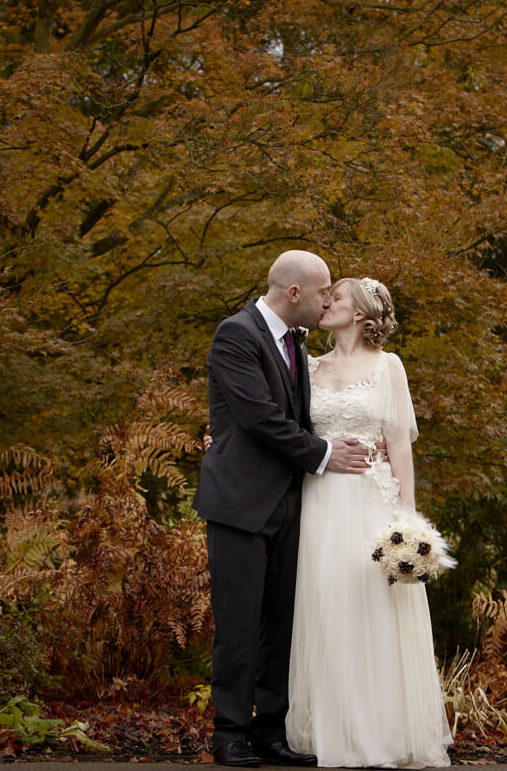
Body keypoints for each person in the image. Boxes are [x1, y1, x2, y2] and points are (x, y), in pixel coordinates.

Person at [194, 251, 373, 768]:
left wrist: (364, 443)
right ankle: (229, 735)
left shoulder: (295, 342)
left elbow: (302, 416)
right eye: (322, 293)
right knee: (239, 624)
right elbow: (259, 418)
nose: (326, 302)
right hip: (239, 503)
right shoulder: (236, 334)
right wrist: (323, 454)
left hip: (292, 504)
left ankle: (270, 733)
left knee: (282, 624)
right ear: (294, 292)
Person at [286, 277, 453, 768]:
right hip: (319, 501)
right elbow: (286, 431)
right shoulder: (307, 367)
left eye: (335, 297)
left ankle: (378, 730)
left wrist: (408, 520)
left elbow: (399, 445)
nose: (326, 302)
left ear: (360, 314)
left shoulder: (388, 367)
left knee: (372, 608)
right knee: (326, 605)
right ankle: (329, 730)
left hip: (370, 501)